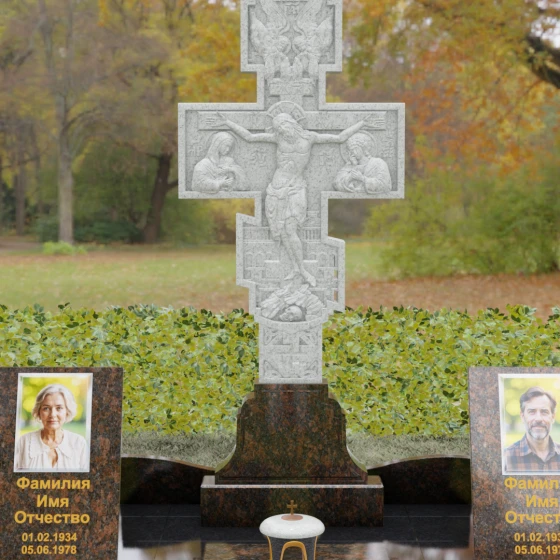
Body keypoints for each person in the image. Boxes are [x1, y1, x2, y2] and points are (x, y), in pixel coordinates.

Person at [217, 110, 378, 286]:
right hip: (276, 189)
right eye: (278, 128)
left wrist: (361, 123)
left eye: (283, 125)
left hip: (296, 188)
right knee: (283, 231)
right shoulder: (278, 139)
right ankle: (297, 268)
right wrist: (228, 123)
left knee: (291, 228)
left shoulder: (310, 137)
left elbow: (339, 138)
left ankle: (301, 269)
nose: (282, 130)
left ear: (292, 122)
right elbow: (249, 137)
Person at [14, 384, 88, 471]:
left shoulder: (79, 443)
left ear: (67, 412)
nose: (52, 414)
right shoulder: (24, 442)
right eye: (46, 408)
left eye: (59, 408)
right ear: (39, 412)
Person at [504, 386, 560, 473]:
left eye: (544, 412)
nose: (538, 418)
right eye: (532, 412)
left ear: (553, 417)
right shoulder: (505, 458)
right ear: (522, 416)